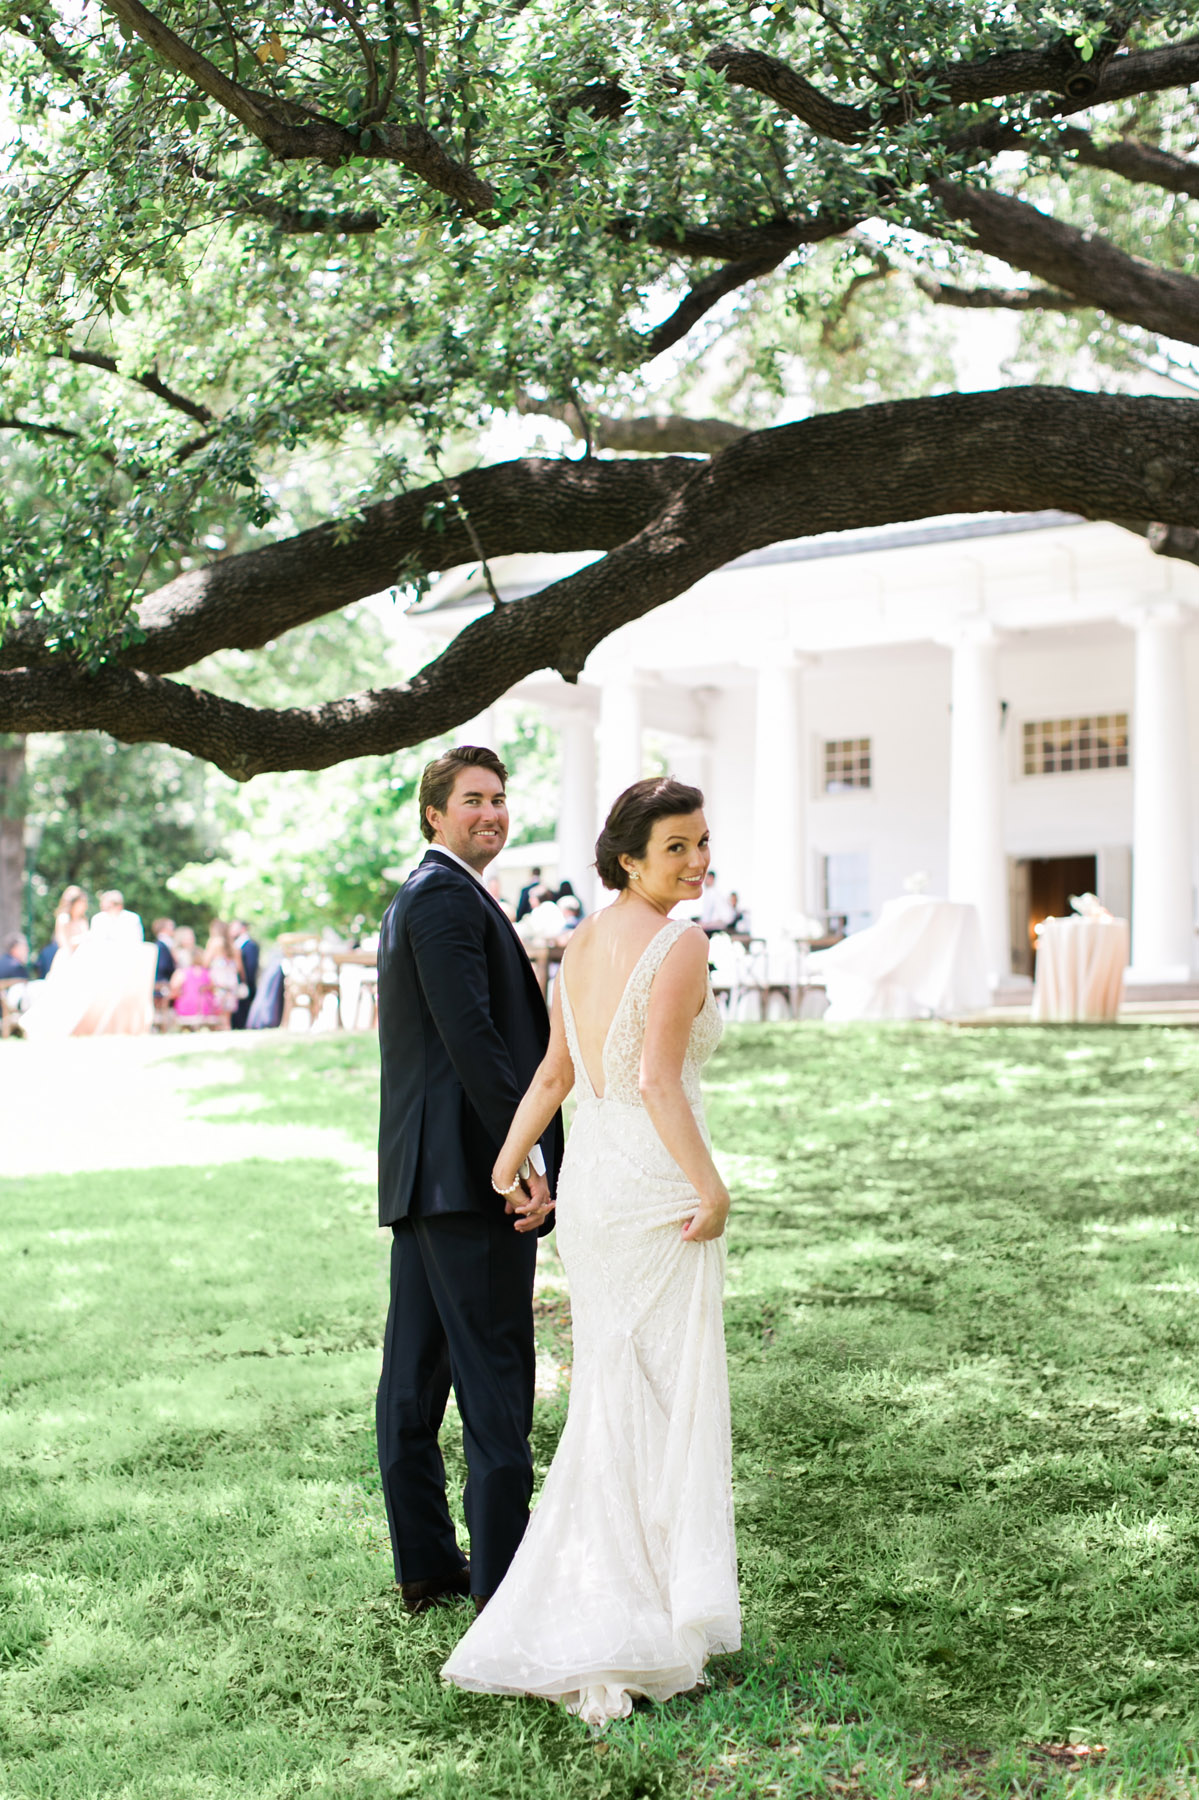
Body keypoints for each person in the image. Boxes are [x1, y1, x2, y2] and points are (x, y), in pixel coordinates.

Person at [443, 777, 739, 1727]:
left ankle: (611, 1591)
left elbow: (555, 1073)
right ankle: (641, 1605)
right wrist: (711, 1186)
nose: (697, 861)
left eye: (700, 843)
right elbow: (656, 1083)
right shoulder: (680, 942)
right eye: (677, 850)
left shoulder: (575, 943)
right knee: (659, 1390)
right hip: (651, 1189)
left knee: (617, 1392)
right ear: (628, 859)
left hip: (596, 1200)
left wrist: (506, 1161)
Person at [375, 747, 564, 1617]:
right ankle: (503, 1579)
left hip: (426, 1179)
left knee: (413, 1382)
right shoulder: (446, 897)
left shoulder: (427, 894)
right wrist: (519, 1162)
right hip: (472, 1178)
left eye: (499, 799)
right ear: (434, 815)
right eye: (471, 801)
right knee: (495, 1380)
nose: (490, 813)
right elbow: (474, 1040)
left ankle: (429, 1564)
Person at [202, 920, 243, 1027]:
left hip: (217, 982)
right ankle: (227, 1030)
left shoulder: (214, 942)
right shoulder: (234, 946)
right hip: (231, 983)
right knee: (227, 1016)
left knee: (218, 1013)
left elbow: (205, 963)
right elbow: (238, 968)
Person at [230, 918, 259, 1030]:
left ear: (242, 928)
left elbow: (251, 967)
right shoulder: (236, 944)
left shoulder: (250, 945)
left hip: (245, 985)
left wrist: (245, 983)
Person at [698, 870, 736, 936]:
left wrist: (702, 924)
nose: (704, 881)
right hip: (723, 923)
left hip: (720, 924)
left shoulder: (711, 892)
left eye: (706, 878)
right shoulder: (714, 892)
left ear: (711, 878)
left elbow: (707, 916)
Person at [151, 918, 177, 985]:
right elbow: (162, 966)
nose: (173, 929)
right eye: (171, 926)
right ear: (163, 929)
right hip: (162, 982)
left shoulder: (167, 944)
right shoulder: (161, 946)